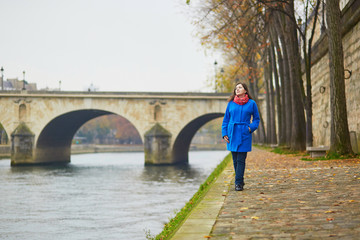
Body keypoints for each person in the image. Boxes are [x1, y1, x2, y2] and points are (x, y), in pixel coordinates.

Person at [222, 82, 260, 191]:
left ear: (245, 90)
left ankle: (238, 183)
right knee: (235, 159)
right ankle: (240, 180)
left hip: (244, 133)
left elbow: (256, 119)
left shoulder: (252, 103)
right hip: (232, 133)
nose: (237, 89)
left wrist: (250, 128)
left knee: (241, 159)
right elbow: (226, 120)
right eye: (236, 88)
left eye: (240, 87)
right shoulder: (231, 104)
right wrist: (224, 133)